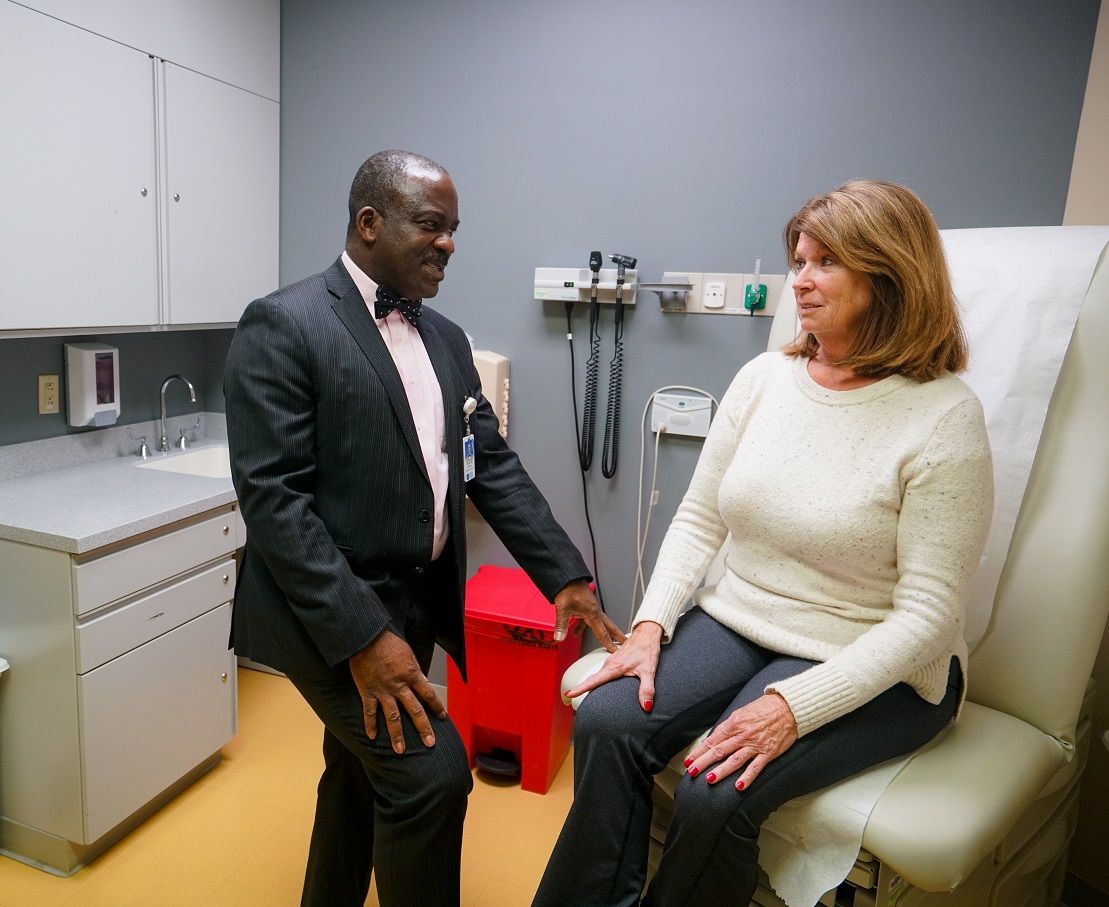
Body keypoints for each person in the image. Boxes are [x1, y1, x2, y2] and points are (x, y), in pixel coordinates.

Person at [534, 179, 994, 906]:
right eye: (798, 260)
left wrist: (791, 707)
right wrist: (650, 625)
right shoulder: (765, 379)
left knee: (713, 791)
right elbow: (698, 518)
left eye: (824, 264)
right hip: (741, 617)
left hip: (880, 657)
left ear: (886, 275)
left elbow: (927, 618)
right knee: (606, 720)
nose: (800, 282)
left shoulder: (943, 418)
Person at [224, 149, 625, 907]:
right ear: (370, 223)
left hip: (412, 597)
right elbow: (275, 502)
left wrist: (564, 576)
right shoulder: (285, 323)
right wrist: (363, 639)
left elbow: (488, 464)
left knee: (356, 770)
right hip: (329, 613)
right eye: (431, 226)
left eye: (453, 230)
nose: (448, 244)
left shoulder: (444, 337)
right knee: (429, 775)